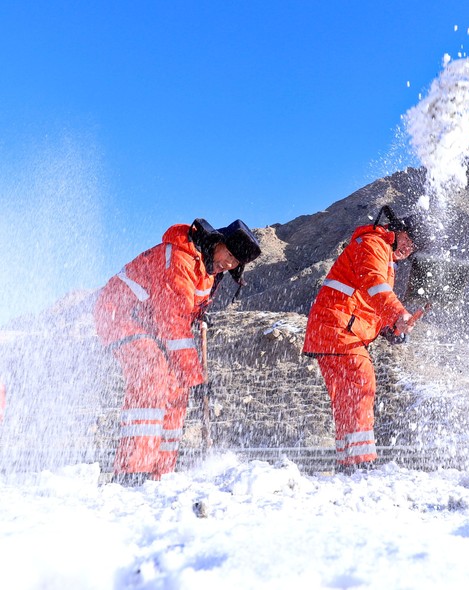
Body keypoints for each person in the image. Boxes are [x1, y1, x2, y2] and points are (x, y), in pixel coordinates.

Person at [93, 219, 262, 485]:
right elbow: (173, 322)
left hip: (150, 321)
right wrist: (196, 377)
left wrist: (200, 316)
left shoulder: (208, 270)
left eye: (235, 262)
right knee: (152, 372)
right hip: (119, 312)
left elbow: (185, 310)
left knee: (177, 388)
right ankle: (132, 471)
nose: (229, 264)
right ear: (217, 242)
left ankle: (161, 474)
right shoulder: (182, 258)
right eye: (228, 255)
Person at [302, 206, 427, 473]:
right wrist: (399, 314)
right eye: (410, 242)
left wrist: (392, 329)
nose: (410, 249)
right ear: (400, 232)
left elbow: (370, 305)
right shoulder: (373, 244)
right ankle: (360, 465)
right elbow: (375, 287)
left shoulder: (382, 254)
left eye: (414, 248)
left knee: (348, 396)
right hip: (337, 327)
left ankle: (351, 462)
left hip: (333, 329)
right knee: (361, 381)